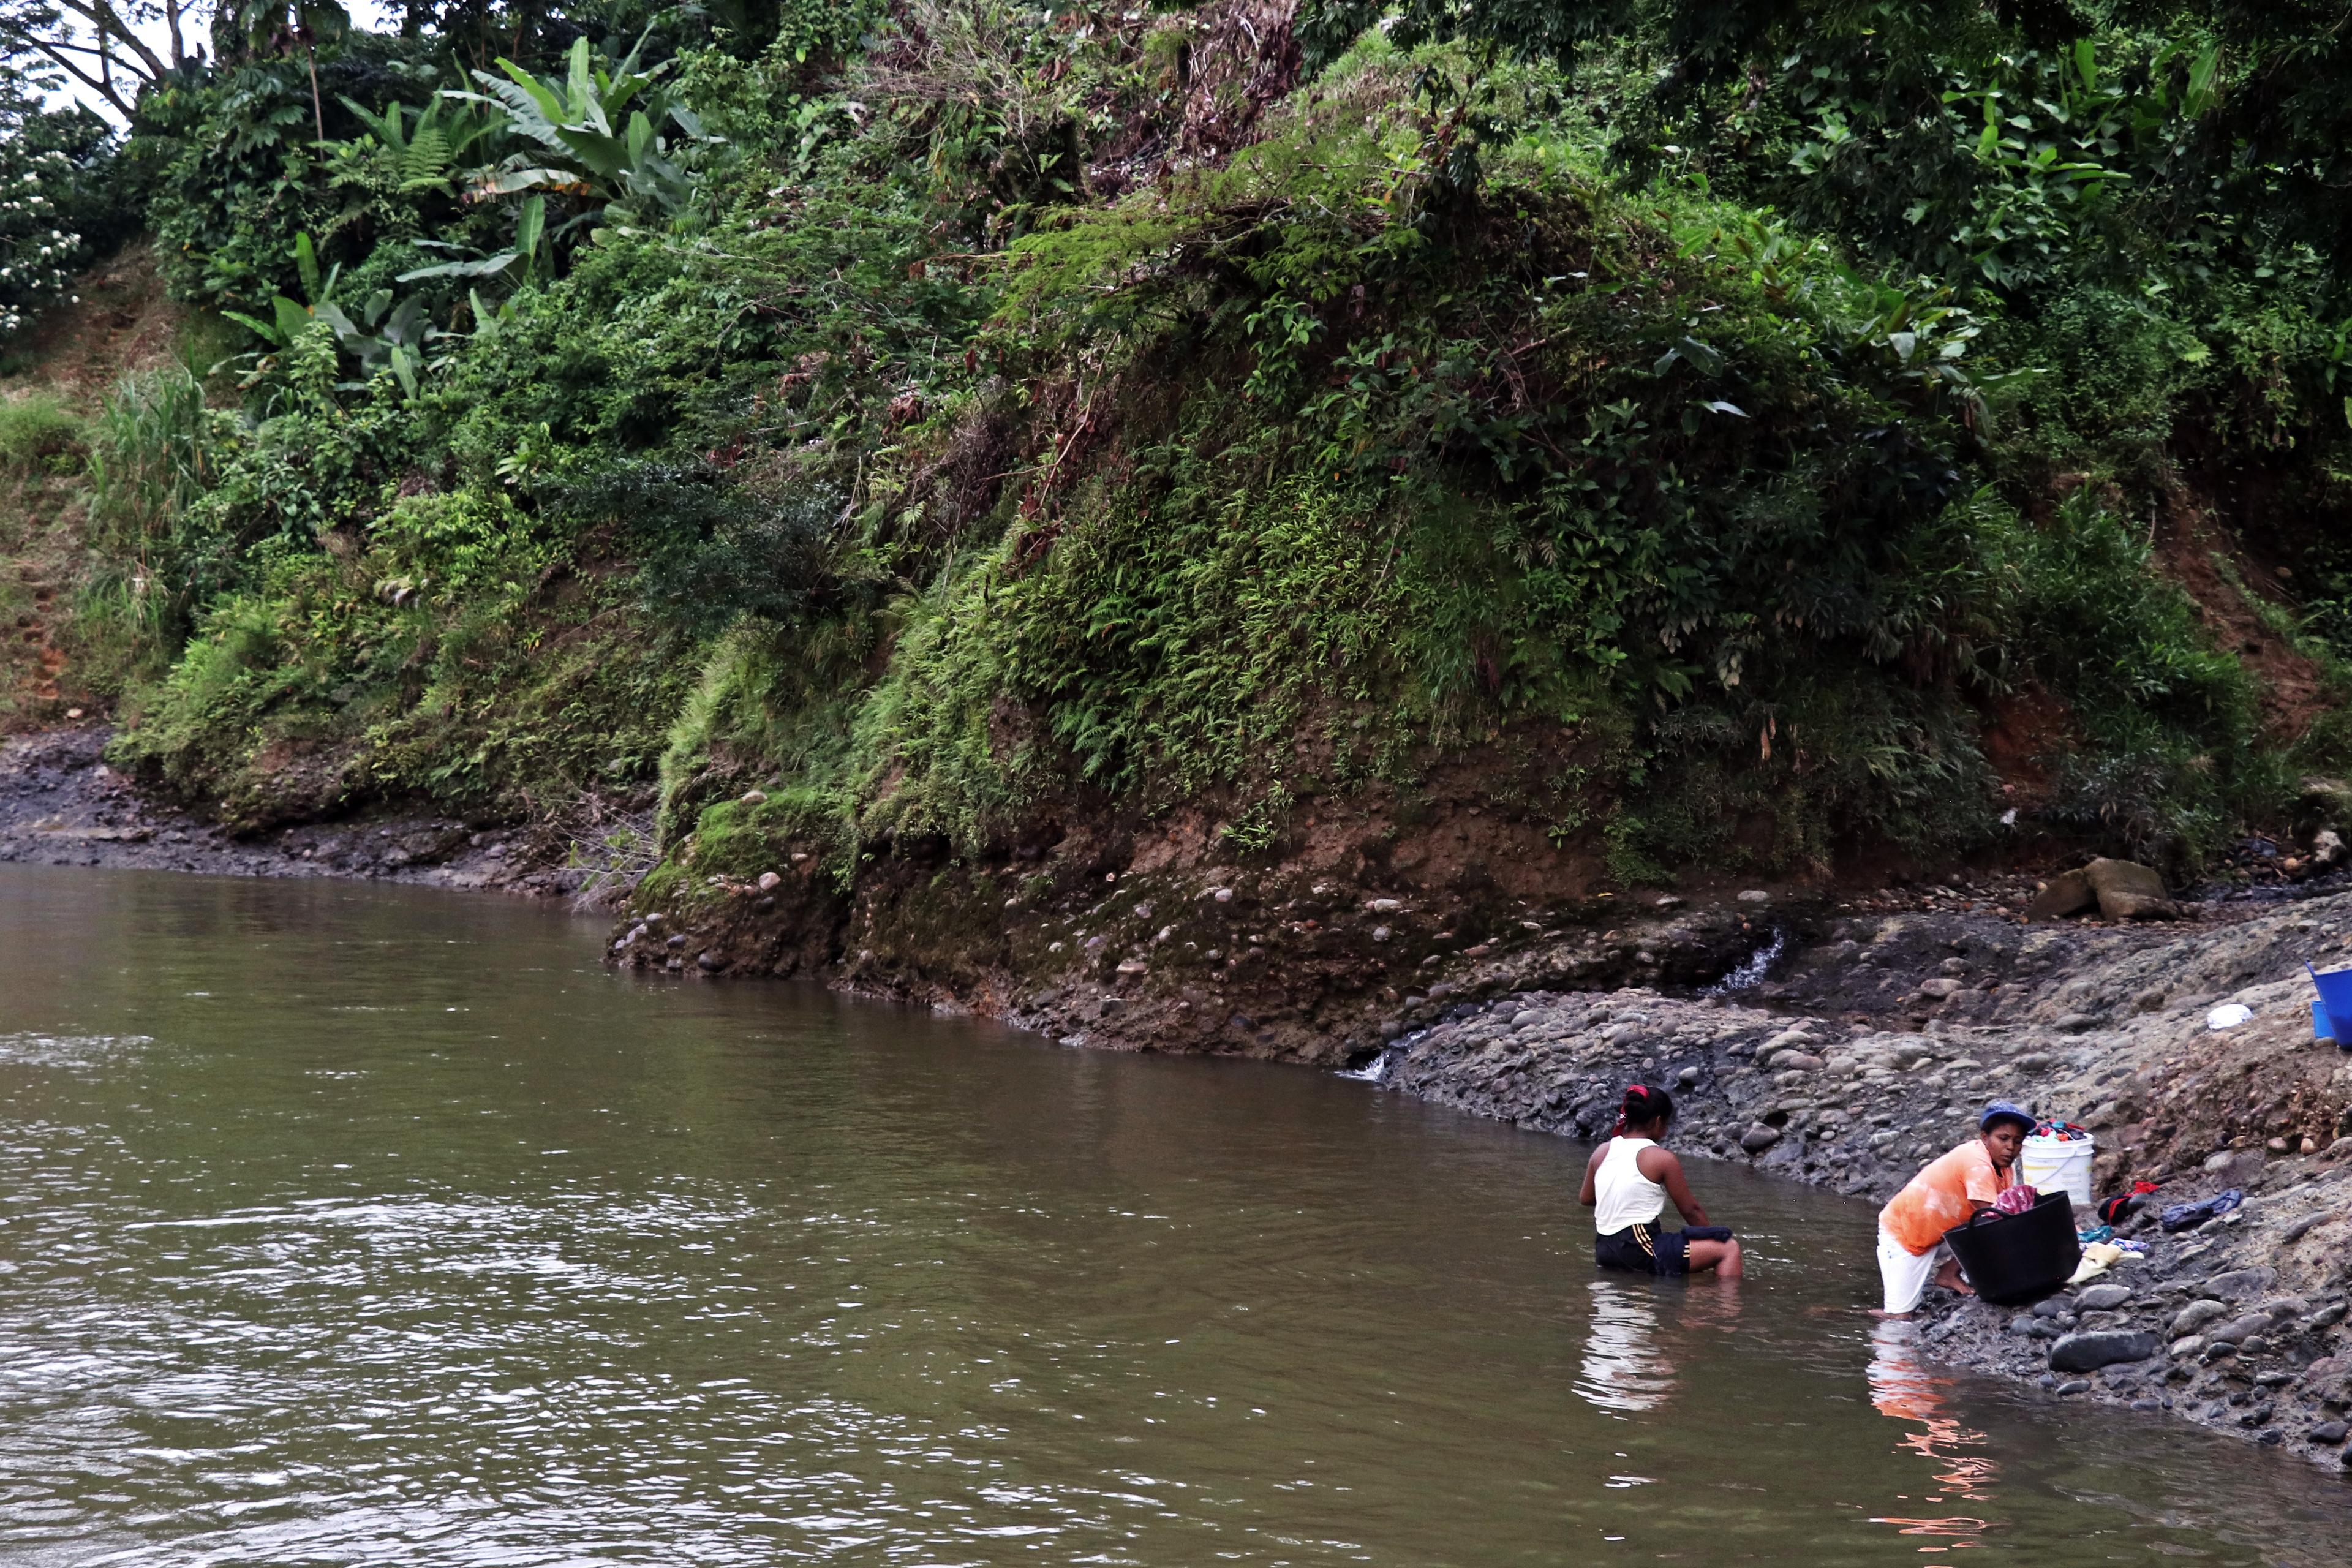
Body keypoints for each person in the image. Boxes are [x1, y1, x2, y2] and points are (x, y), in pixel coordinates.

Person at [1875, 1101, 2034, 1316]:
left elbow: (1999, 1216)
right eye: (2003, 1138)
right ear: (1985, 1138)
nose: (2010, 1147)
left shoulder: (2004, 1166)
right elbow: (1995, 1219)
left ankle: (1948, 1274)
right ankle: (1836, 1314)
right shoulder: (1978, 1164)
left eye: (2017, 1141)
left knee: (1992, 1228)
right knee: (1898, 1318)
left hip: (1941, 1232)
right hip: (1905, 1233)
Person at [1579, 1084, 1744, 1278]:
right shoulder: (1661, 1158)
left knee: (1670, 1250)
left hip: (1604, 1249)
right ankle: (1723, 1304)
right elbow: (1691, 1210)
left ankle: (1693, 1293)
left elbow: (1587, 1198)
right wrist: (1713, 1236)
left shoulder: (1602, 1151)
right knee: (1728, 1248)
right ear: (1658, 1122)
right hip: (1639, 1248)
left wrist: (1621, 1194)